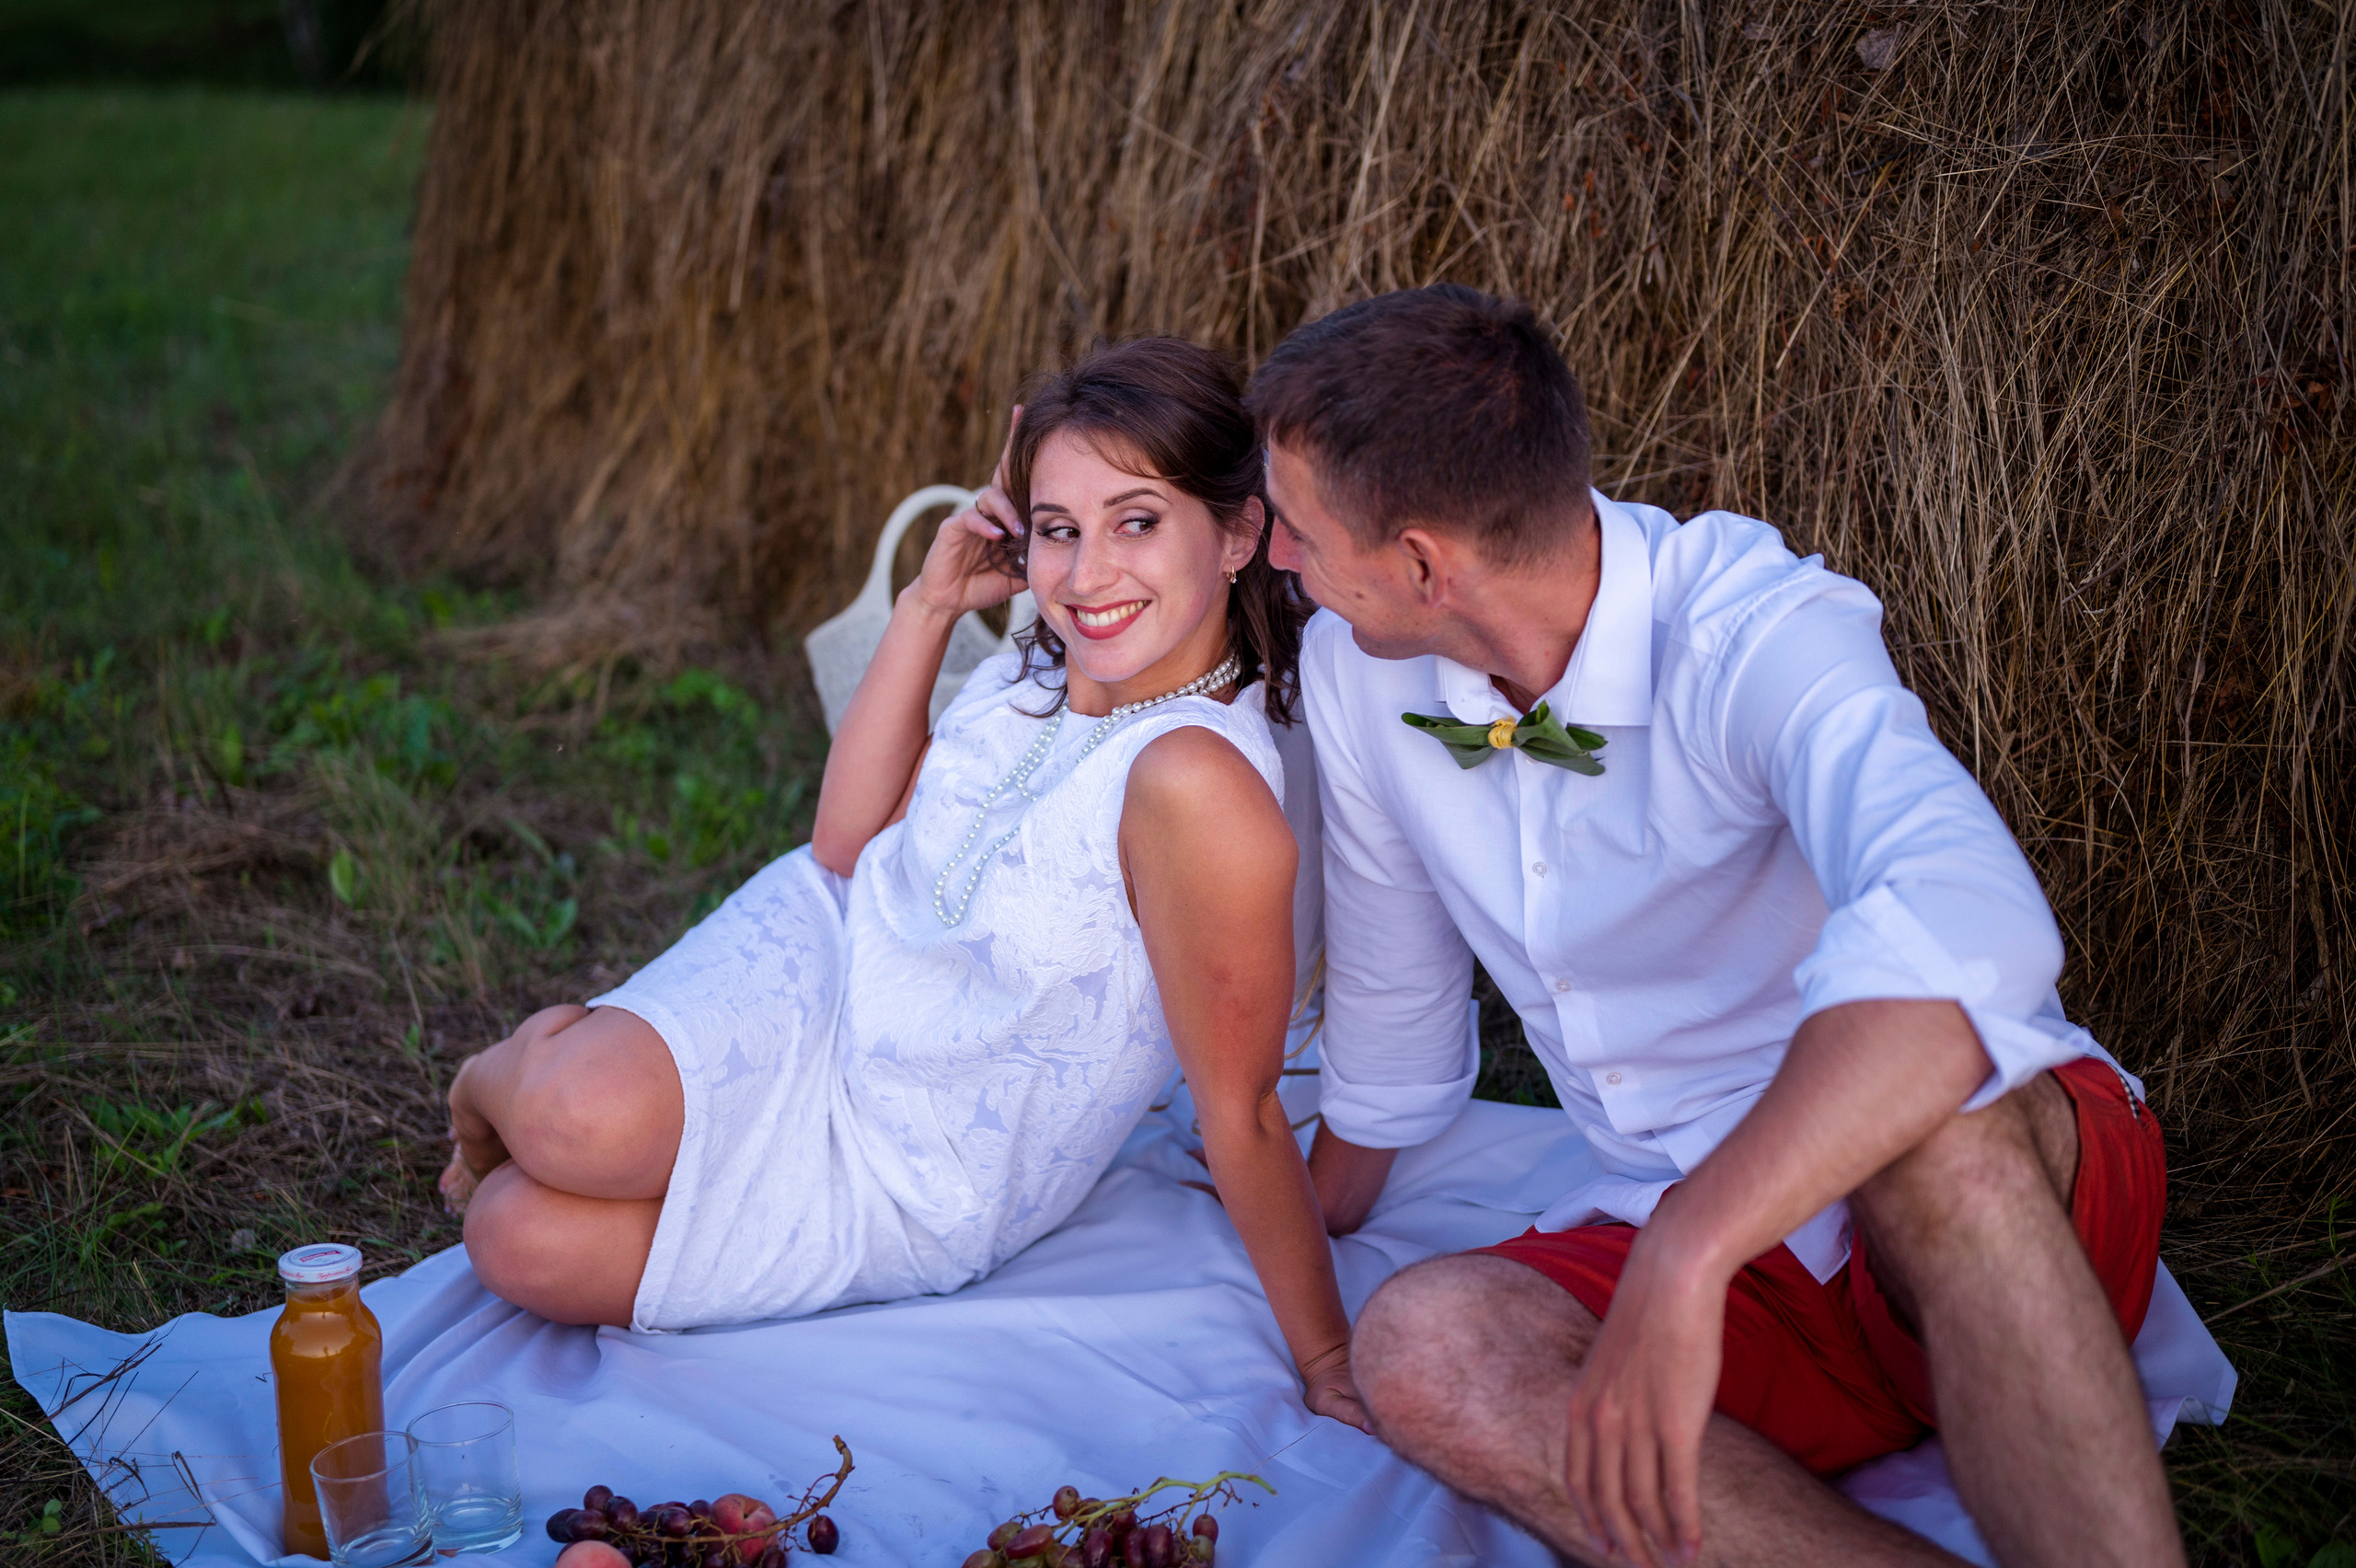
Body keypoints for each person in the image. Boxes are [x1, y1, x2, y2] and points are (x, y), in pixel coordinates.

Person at [1251, 285, 2180, 1565]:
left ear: (1423, 562)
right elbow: (1396, 1022)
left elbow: (1977, 927)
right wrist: (1281, 1207)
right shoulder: (1359, 674)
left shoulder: (1752, 625)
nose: (1277, 556)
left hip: (1992, 1196)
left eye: (1296, 530)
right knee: (1424, 1348)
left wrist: (1696, 1244)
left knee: (1935, 1146)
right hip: (1730, 1261)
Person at [437, 337, 1366, 1429]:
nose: (1086, 574)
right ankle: (484, 1084)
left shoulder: (1193, 782)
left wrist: (1329, 1361)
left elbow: (1242, 1110)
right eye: (1059, 531)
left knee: (515, 1240)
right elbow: (844, 847)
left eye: (1137, 521)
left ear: (1238, 533)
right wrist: (929, 608)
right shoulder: (1041, 673)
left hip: (917, 1170)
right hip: (824, 967)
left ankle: (555, 1079)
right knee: (565, 1117)